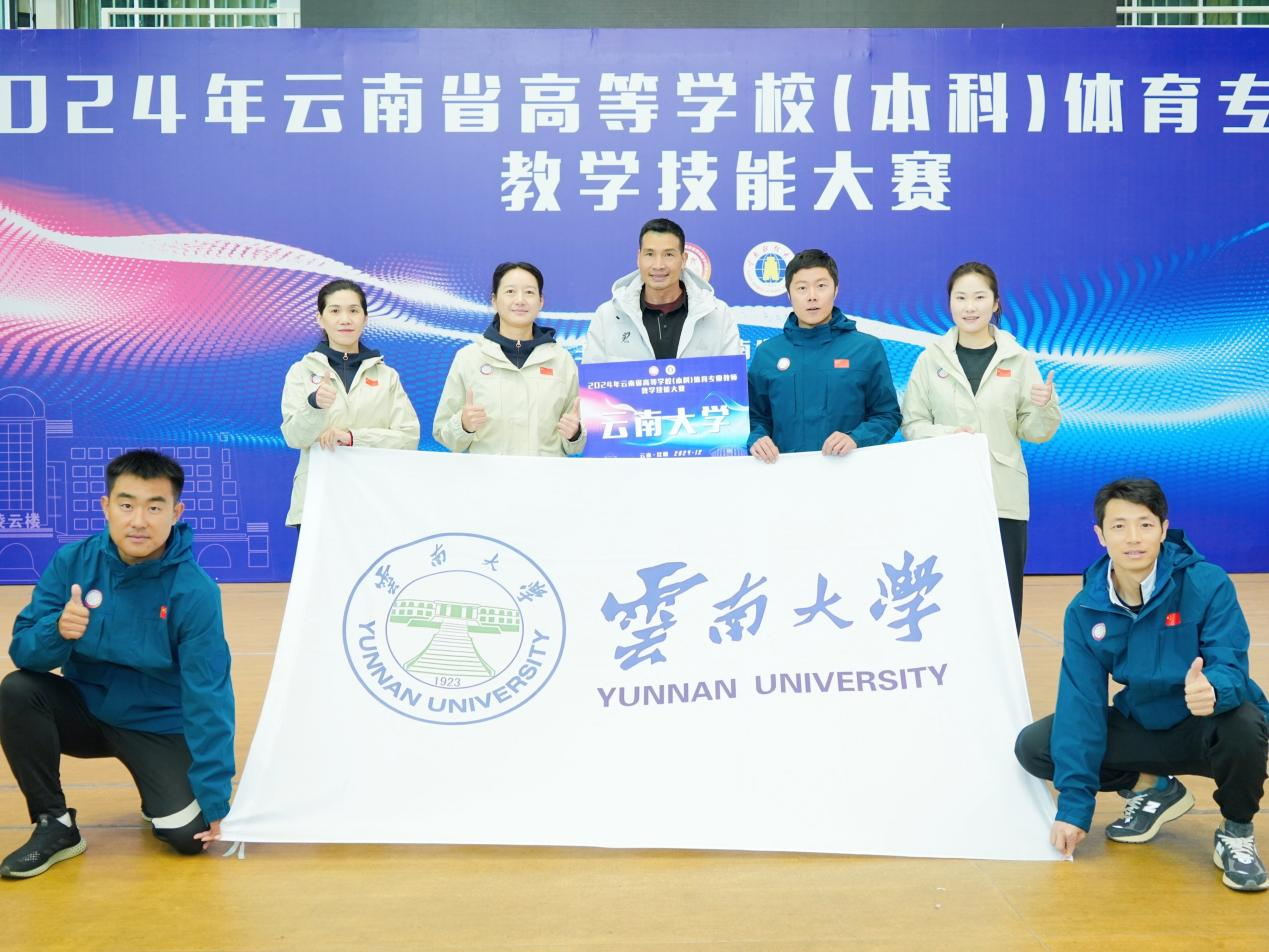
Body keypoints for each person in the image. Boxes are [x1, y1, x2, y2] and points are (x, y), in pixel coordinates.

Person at [1015, 478, 1269, 892]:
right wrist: (1074, 810)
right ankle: (1153, 787)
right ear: (1100, 535)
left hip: (1204, 726)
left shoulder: (1207, 582)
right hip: (1145, 725)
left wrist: (1214, 689)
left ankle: (1236, 833)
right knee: (1036, 745)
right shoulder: (1086, 609)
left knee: (1244, 720)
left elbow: (1230, 661)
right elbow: (1082, 705)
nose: (1133, 538)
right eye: (1119, 526)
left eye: (1145, 524)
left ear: (1164, 529)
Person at [0, 450, 236, 879]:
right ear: (106, 506)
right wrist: (58, 630)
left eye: (154, 507)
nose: (139, 521)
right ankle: (55, 824)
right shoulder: (73, 562)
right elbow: (25, 653)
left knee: (189, 837)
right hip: (86, 712)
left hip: (158, 725)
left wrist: (216, 798)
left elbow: (210, 695)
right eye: (127, 505)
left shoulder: (195, 591)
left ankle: (156, 793)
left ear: (176, 513)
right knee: (17, 690)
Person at [901, 262, 1060, 632]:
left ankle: (1004, 670)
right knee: (949, 596)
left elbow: (1035, 432)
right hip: (945, 496)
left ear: (995, 303)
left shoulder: (1018, 359)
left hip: (1003, 496)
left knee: (1003, 599)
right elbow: (912, 424)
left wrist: (1044, 406)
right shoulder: (931, 358)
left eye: (978, 297)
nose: (969, 307)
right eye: (961, 298)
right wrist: (949, 437)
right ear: (950, 303)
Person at [280, 279, 420, 527]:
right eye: (334, 311)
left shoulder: (386, 375)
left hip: (374, 500)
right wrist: (314, 406)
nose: (345, 319)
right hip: (317, 500)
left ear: (365, 319)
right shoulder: (301, 371)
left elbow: (408, 438)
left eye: (353, 311)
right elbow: (294, 437)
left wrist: (353, 438)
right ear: (320, 319)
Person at [747, 248, 900, 462]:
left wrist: (856, 438)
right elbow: (756, 417)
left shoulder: (866, 348)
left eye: (821, 286)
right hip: (784, 473)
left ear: (835, 290)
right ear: (789, 295)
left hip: (849, 471)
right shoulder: (767, 354)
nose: (812, 296)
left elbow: (887, 415)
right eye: (802, 288)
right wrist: (758, 438)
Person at [433, 261, 585, 456]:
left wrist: (575, 434)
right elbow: (444, 435)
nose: (520, 300)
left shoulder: (561, 360)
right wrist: (463, 425)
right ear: (494, 300)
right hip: (488, 473)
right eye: (510, 291)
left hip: (545, 474)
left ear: (541, 301)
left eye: (529, 292)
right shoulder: (469, 358)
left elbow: (578, 443)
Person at [583, 218, 741, 362]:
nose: (658, 265)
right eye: (649, 254)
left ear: (683, 259)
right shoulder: (607, 316)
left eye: (669, 254)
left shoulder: (718, 315)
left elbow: (733, 380)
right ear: (638, 258)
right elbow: (593, 382)